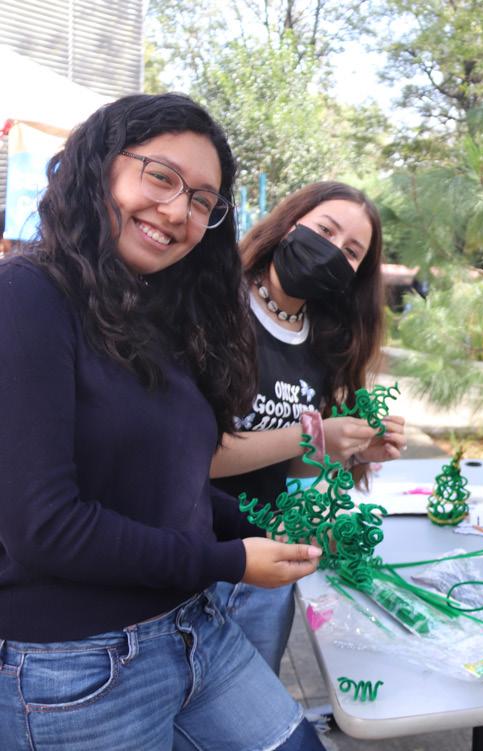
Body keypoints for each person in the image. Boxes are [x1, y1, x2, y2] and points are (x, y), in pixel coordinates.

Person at [0, 93, 325, 749]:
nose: (178, 211)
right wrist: (229, 560)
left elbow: (165, 482)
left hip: (192, 627)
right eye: (161, 177)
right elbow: (46, 528)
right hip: (78, 666)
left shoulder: (153, 313)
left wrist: (265, 529)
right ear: (100, 166)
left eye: (202, 200)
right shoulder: (27, 296)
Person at [210, 182, 406, 673]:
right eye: (325, 230)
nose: (332, 251)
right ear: (289, 224)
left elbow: (291, 465)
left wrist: (353, 450)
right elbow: (196, 454)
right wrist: (314, 434)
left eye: (352, 252)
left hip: (268, 567)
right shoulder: (217, 307)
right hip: (196, 562)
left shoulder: (323, 338)